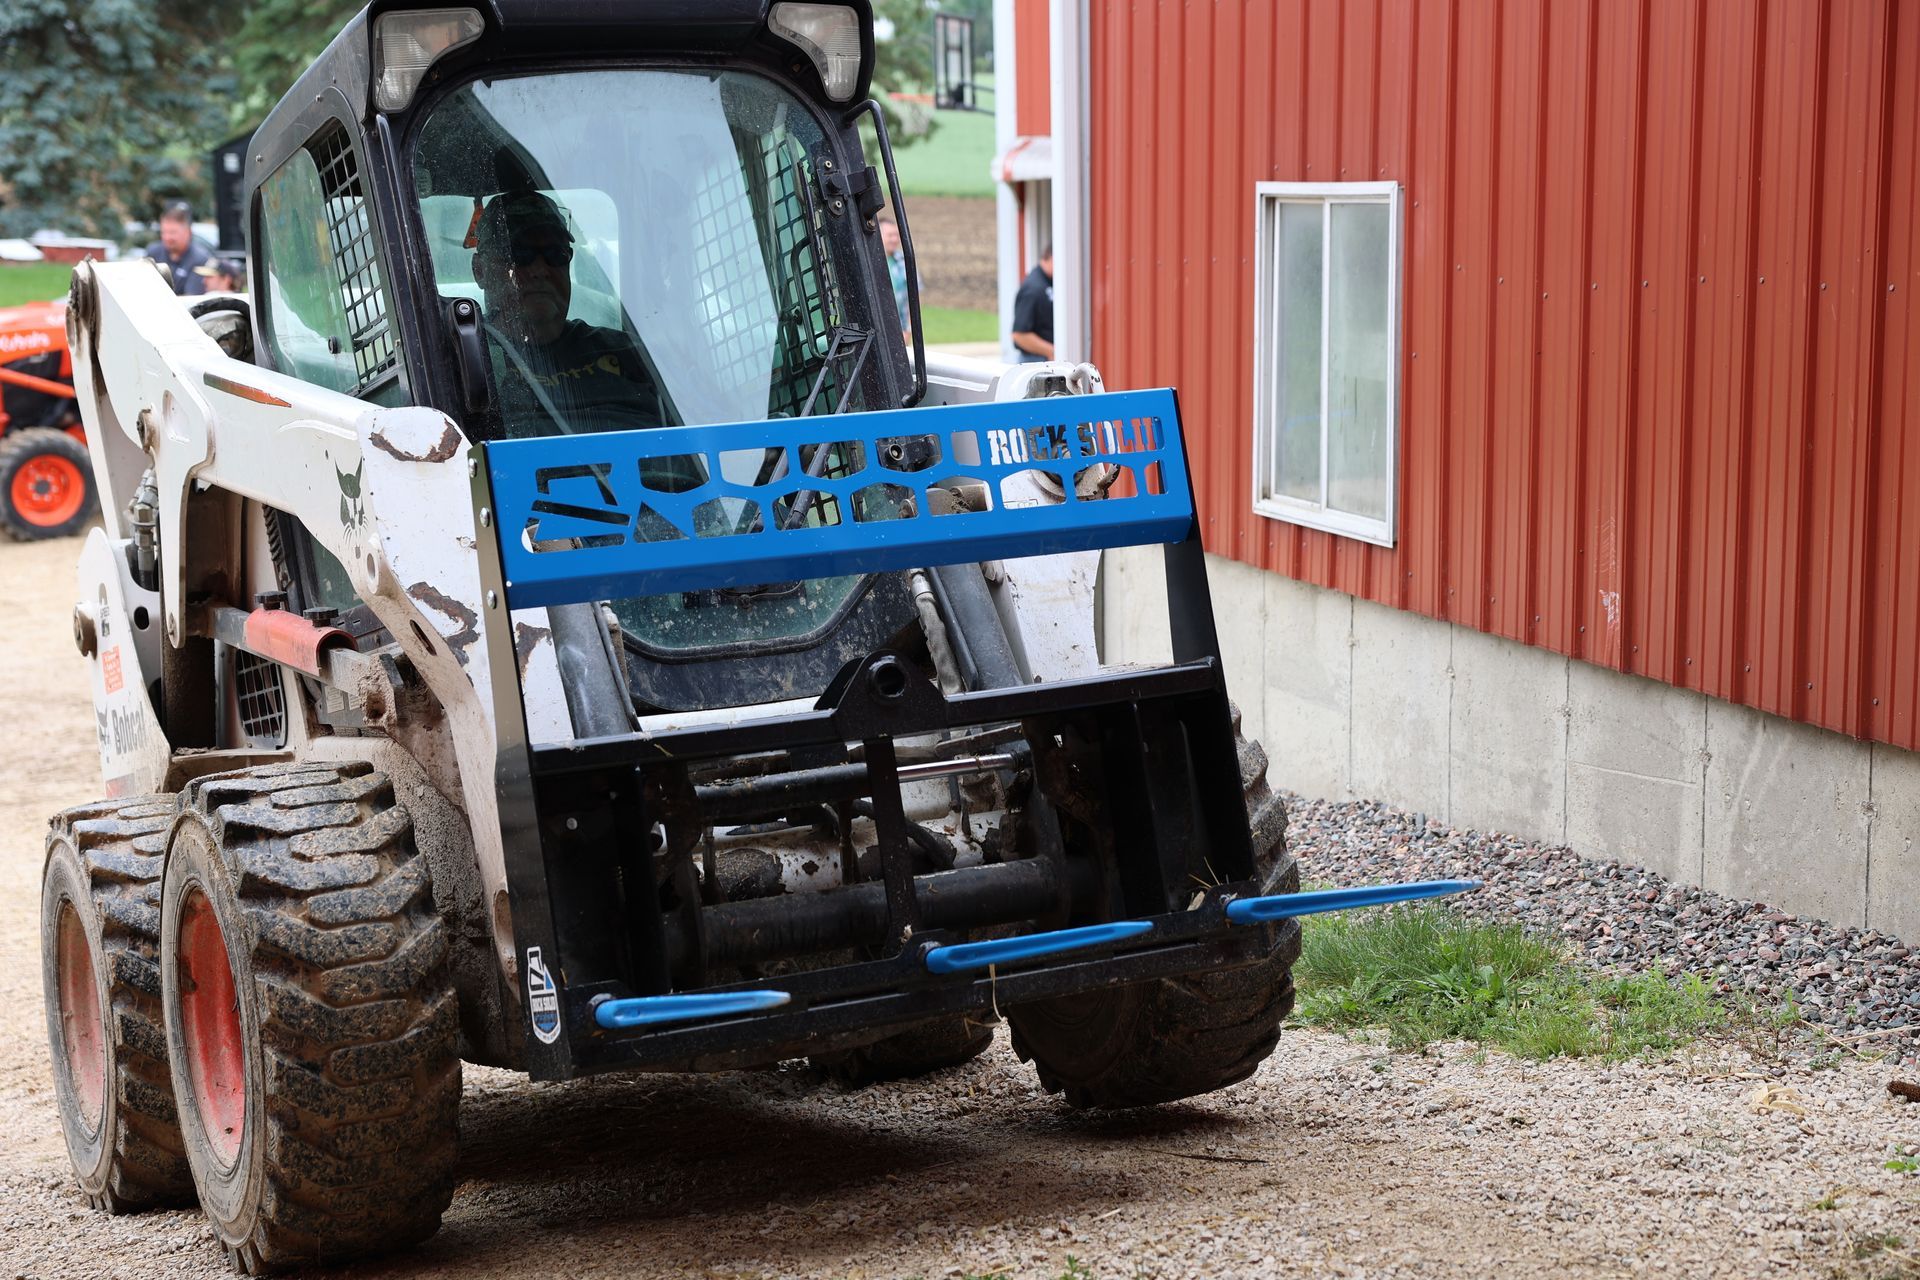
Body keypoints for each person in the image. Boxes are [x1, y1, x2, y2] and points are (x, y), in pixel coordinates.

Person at [470, 189, 665, 435]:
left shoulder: (627, 354)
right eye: (519, 254)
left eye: (556, 254)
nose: (540, 269)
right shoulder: (465, 365)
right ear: (479, 271)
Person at [143, 201, 213, 296]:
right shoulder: (153, 253)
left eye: (173, 232)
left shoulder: (200, 258)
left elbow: (191, 297)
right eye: (164, 232)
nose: (168, 237)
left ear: (188, 232)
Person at [1010, 244, 1053, 363]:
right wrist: (1052, 352)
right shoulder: (1033, 289)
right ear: (1050, 257)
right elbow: (1019, 335)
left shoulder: (1049, 282)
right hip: (1036, 361)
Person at [877, 211, 912, 344]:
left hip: (899, 331)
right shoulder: (869, 263)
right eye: (890, 235)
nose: (895, 239)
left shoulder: (905, 262)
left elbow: (912, 299)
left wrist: (908, 330)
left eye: (896, 235)